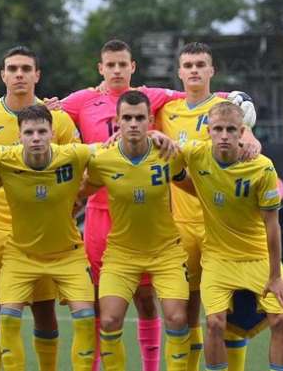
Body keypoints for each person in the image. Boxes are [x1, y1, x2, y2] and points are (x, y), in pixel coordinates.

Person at [58, 39, 259, 371]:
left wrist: (242, 104)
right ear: (100, 68)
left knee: (171, 306)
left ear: (133, 67)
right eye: (110, 65)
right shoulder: (83, 100)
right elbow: (41, 113)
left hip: (173, 222)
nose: (117, 70)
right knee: (102, 305)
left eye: (123, 64)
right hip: (104, 214)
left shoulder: (155, 97)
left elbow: (207, 100)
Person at [0, 46, 81, 370]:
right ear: (2, 75)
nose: (19, 74)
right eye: (12, 69)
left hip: (45, 233)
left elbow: (80, 168)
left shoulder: (58, 118)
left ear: (37, 75)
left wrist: (72, 205)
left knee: (44, 310)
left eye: (26, 69)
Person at [155, 42, 260, 371]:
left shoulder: (225, 109)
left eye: (201, 64)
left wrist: (252, 137)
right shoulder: (166, 111)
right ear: (179, 72)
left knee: (229, 315)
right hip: (182, 226)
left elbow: (247, 135)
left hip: (223, 228)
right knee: (186, 312)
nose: (194, 70)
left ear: (212, 70)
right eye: (188, 65)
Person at [0, 104, 96, 371]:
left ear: (52, 133)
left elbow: (111, 149)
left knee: (86, 318)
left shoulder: (73, 154)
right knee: (7, 318)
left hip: (68, 254)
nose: (36, 138)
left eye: (42, 131)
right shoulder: (4, 157)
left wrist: (154, 136)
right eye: (29, 132)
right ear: (19, 136)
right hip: (21, 255)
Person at [79, 90, 191, 371]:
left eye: (139, 118)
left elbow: (194, 183)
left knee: (177, 318)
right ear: (117, 121)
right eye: (127, 118)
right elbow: (81, 193)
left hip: (166, 253)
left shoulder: (168, 155)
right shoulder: (102, 161)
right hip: (121, 254)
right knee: (108, 320)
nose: (133, 124)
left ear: (150, 120)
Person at [178, 102, 283, 371]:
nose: (224, 135)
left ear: (242, 132)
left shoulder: (262, 167)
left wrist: (275, 276)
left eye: (231, 129)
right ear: (209, 131)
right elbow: (162, 147)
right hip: (218, 258)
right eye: (218, 129)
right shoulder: (195, 153)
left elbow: (272, 225)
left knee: (280, 320)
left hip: (257, 255)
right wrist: (151, 136)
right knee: (214, 323)